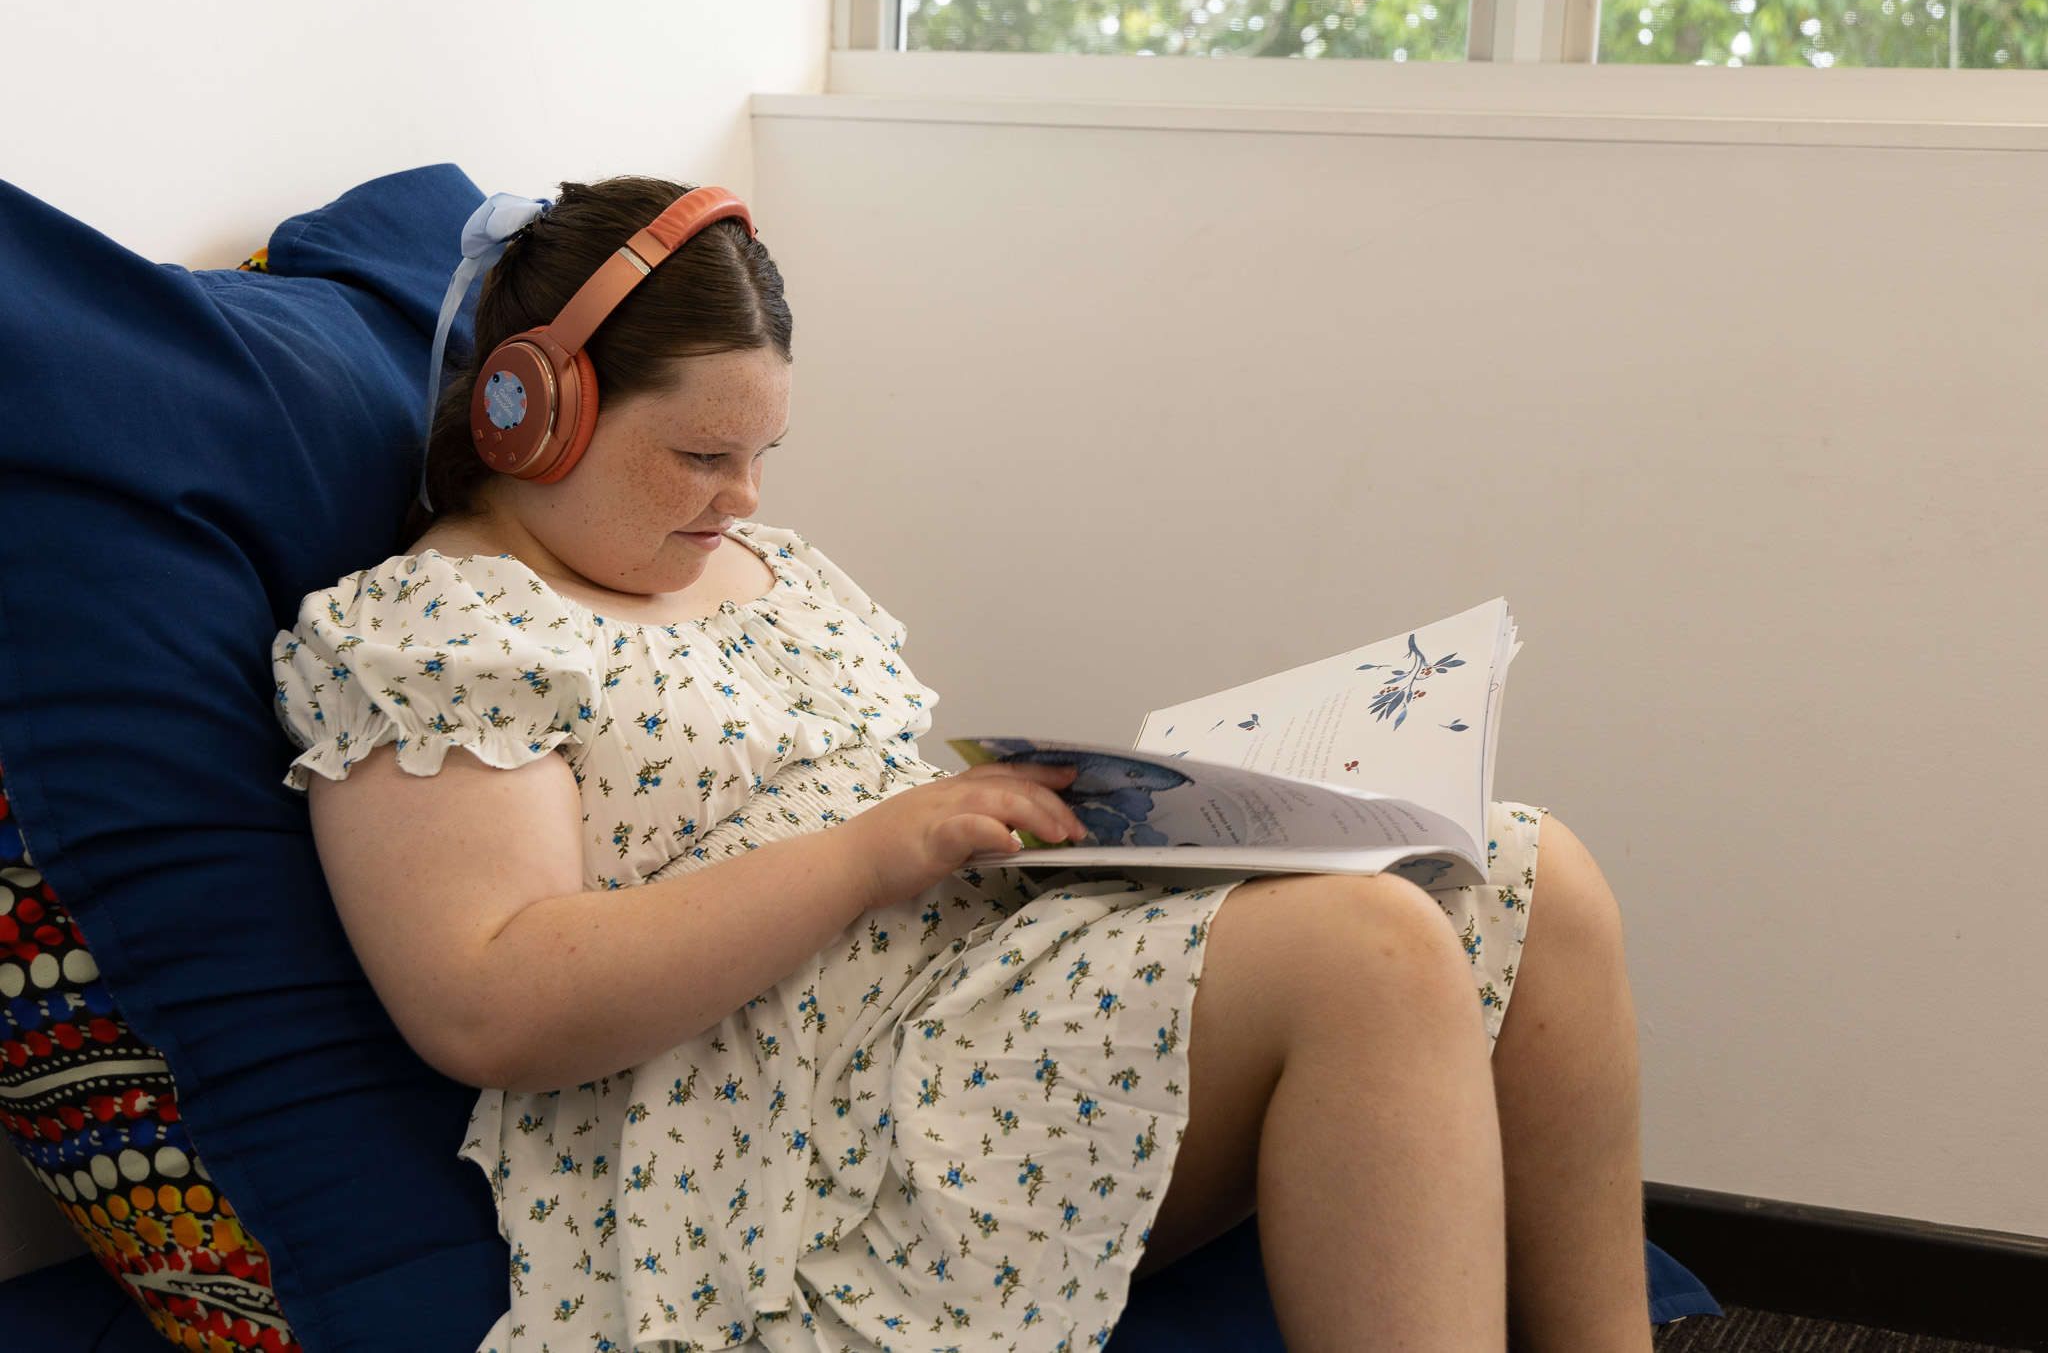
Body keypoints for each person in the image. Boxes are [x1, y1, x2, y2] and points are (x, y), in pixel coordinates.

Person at [271, 176, 1651, 1353]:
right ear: (528, 413)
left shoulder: (757, 566)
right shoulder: (438, 637)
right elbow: (491, 998)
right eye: (701, 453)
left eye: (763, 453)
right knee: (1370, 949)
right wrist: (875, 851)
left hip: (985, 980)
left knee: (1533, 869)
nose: (743, 497)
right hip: (825, 1136)